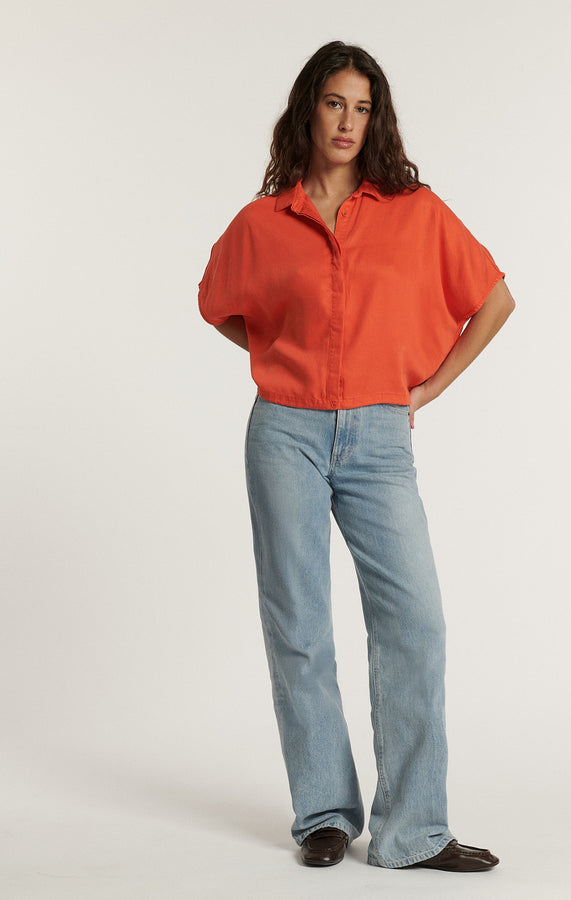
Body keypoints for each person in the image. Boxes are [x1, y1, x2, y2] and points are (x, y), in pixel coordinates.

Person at [198, 40, 515, 872]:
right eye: (335, 103)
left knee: (416, 622)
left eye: (363, 107)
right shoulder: (263, 222)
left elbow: (493, 299)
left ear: (377, 120)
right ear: (309, 109)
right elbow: (217, 303)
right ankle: (323, 816)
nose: (348, 121)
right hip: (285, 433)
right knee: (299, 625)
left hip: (379, 436)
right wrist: (278, 353)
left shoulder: (415, 210)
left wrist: (426, 390)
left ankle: (412, 831)